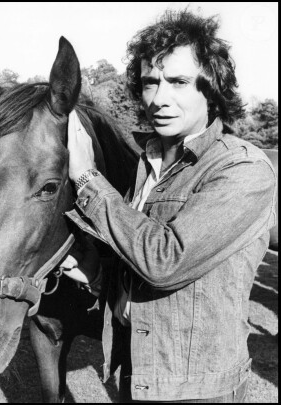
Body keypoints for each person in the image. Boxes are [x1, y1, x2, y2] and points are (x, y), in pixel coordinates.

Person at [61, 9, 277, 403]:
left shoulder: (242, 168)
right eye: (149, 83)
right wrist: (96, 274)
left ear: (210, 91)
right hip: (137, 372)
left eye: (178, 82)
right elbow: (137, 270)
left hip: (197, 391)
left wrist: (87, 178)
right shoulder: (149, 164)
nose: (159, 99)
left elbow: (165, 262)